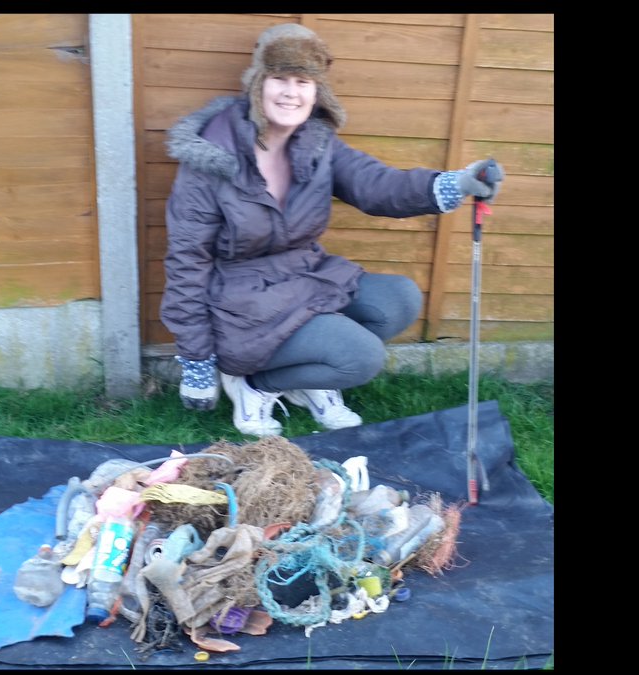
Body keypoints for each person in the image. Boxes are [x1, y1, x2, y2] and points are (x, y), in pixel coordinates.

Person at [160, 23, 503, 437]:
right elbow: (187, 261)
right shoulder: (211, 159)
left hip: (305, 275)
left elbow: (380, 185)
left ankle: (309, 378)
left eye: (303, 81)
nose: (291, 92)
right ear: (256, 84)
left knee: (398, 299)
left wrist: (457, 183)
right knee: (361, 357)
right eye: (279, 79)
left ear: (316, 90)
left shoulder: (317, 145)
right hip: (240, 302)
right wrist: (197, 362)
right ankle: (253, 386)